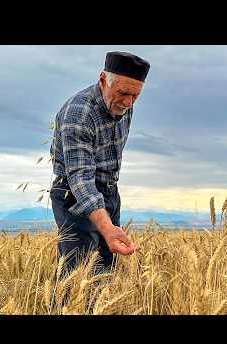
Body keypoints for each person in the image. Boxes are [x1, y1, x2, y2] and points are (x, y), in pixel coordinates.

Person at [50, 51, 150, 275]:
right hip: (73, 193)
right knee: (77, 271)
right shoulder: (78, 114)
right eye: (123, 93)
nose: (128, 102)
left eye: (135, 95)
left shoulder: (126, 103)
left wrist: (109, 218)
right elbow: (80, 179)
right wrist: (107, 227)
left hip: (109, 190)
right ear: (103, 80)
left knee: (104, 268)